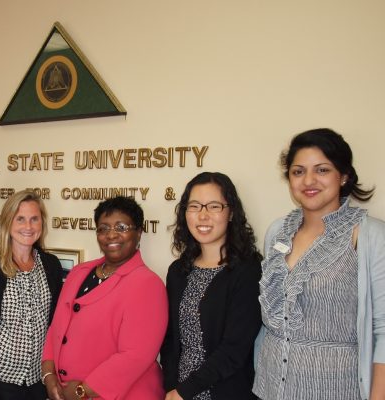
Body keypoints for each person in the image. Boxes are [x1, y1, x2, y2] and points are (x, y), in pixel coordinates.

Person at [253, 128, 385, 400]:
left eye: (322, 170)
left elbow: (383, 329)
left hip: (336, 388)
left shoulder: (370, 235)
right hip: (270, 387)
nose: (308, 180)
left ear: (344, 176)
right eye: (298, 171)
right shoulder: (278, 231)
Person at [42, 196, 169, 400]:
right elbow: (55, 328)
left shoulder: (147, 284)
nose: (111, 235)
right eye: (103, 228)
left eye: (121, 227)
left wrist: (82, 390)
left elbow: (135, 356)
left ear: (139, 233)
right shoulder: (78, 273)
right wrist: (48, 375)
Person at [161, 172, 262, 400]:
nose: (203, 215)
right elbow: (169, 341)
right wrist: (170, 388)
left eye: (214, 206)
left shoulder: (248, 271)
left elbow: (234, 349)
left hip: (226, 391)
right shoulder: (178, 271)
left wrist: (184, 392)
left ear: (231, 213)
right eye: (195, 206)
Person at [0, 190, 63, 400]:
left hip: (39, 383)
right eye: (20, 219)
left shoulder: (50, 266)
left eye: (34, 219)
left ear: (42, 223)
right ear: (8, 223)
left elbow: (55, 326)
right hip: (2, 384)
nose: (28, 227)